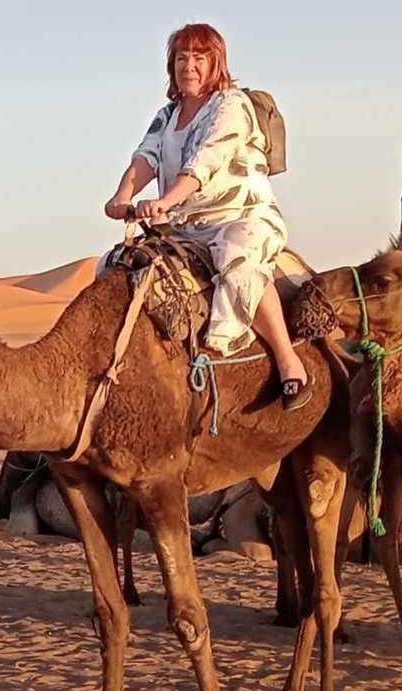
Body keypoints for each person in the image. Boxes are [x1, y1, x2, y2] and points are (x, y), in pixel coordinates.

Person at [104, 23, 313, 410]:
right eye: (182, 58)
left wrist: (165, 201)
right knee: (114, 265)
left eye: (199, 57)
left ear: (216, 62)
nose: (190, 66)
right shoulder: (167, 116)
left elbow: (206, 163)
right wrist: (123, 194)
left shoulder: (231, 106)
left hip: (241, 215)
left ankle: (289, 363)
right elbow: (144, 159)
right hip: (184, 226)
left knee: (238, 257)